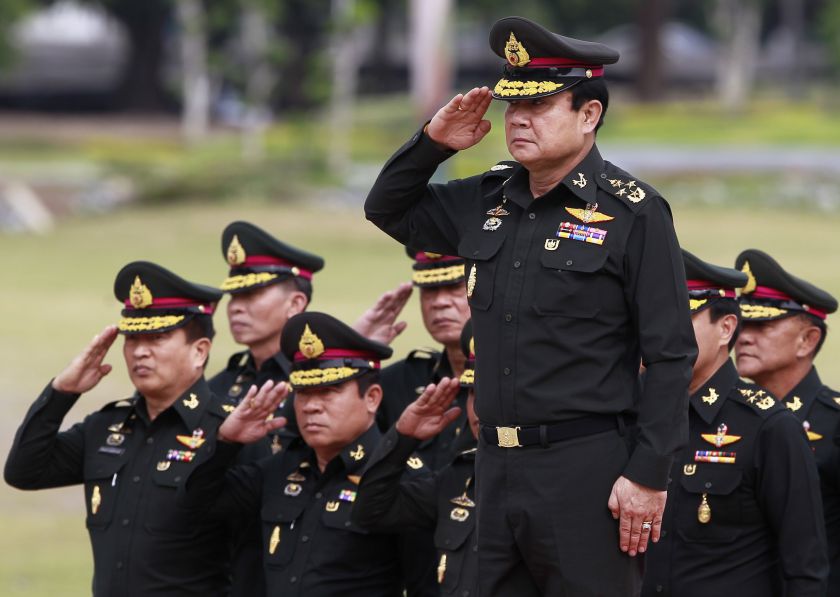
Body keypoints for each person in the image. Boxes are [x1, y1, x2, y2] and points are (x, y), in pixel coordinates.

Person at [364, 15, 696, 595]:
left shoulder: (634, 212)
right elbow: (388, 209)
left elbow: (670, 354)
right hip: (494, 464)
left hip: (586, 467)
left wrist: (647, 474)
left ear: (588, 115)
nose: (517, 118)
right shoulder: (490, 197)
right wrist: (433, 142)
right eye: (513, 104)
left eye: (539, 106)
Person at [4, 261, 231, 596]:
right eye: (133, 338)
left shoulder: (230, 431)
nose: (141, 351)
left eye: (158, 337)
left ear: (199, 352)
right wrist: (62, 393)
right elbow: (24, 471)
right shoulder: (108, 428)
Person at [180, 312, 437, 596]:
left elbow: (425, 585)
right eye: (303, 392)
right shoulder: (279, 469)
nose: (311, 406)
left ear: (372, 398)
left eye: (328, 391)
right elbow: (196, 505)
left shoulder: (401, 478)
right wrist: (226, 442)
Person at [642, 250, 828, 596]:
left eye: (682, 318)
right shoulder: (633, 412)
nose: (661, 333)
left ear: (726, 328)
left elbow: (804, 566)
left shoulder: (769, 426)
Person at [734, 248, 840, 592]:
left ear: (807, 340)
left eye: (762, 325)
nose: (744, 336)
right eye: (742, 322)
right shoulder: (733, 418)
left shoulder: (833, 423)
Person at [355, 320, 481, 596]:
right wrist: (402, 438)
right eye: (472, 392)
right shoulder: (458, 476)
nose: (479, 407)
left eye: (490, 393)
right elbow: (371, 511)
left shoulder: (552, 475)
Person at [377, 249, 472, 470]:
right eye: (429, 290)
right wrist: (362, 350)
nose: (439, 303)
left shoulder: (516, 379)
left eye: (455, 287)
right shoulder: (397, 382)